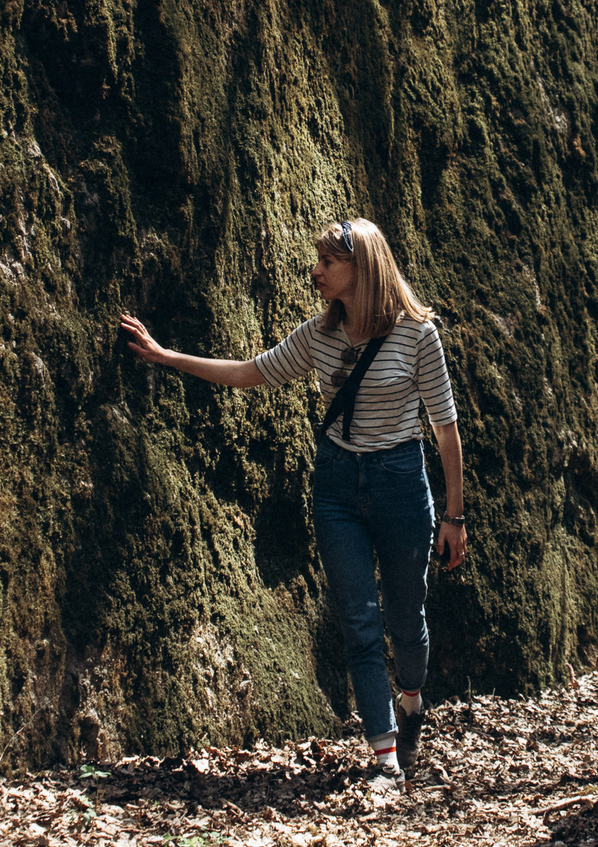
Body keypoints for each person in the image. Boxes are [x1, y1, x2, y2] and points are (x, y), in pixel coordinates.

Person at [118, 219, 467, 782]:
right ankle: (385, 760)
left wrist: (454, 515)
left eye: (327, 262)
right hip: (336, 487)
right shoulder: (319, 335)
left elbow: (445, 429)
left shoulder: (418, 335)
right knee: (359, 620)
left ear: (362, 268)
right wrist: (167, 357)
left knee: (407, 619)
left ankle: (411, 701)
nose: (315, 272)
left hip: (401, 484)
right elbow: (249, 372)